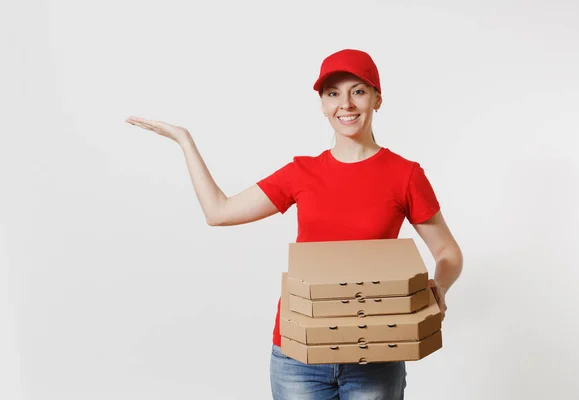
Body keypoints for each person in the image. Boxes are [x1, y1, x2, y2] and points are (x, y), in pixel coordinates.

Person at [125, 48, 463, 399]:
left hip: (375, 353)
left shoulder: (404, 175)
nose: (345, 104)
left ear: (377, 99)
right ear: (322, 104)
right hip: (299, 356)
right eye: (333, 94)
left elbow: (447, 251)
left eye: (358, 91)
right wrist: (185, 141)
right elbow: (219, 211)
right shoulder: (302, 172)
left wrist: (440, 286)